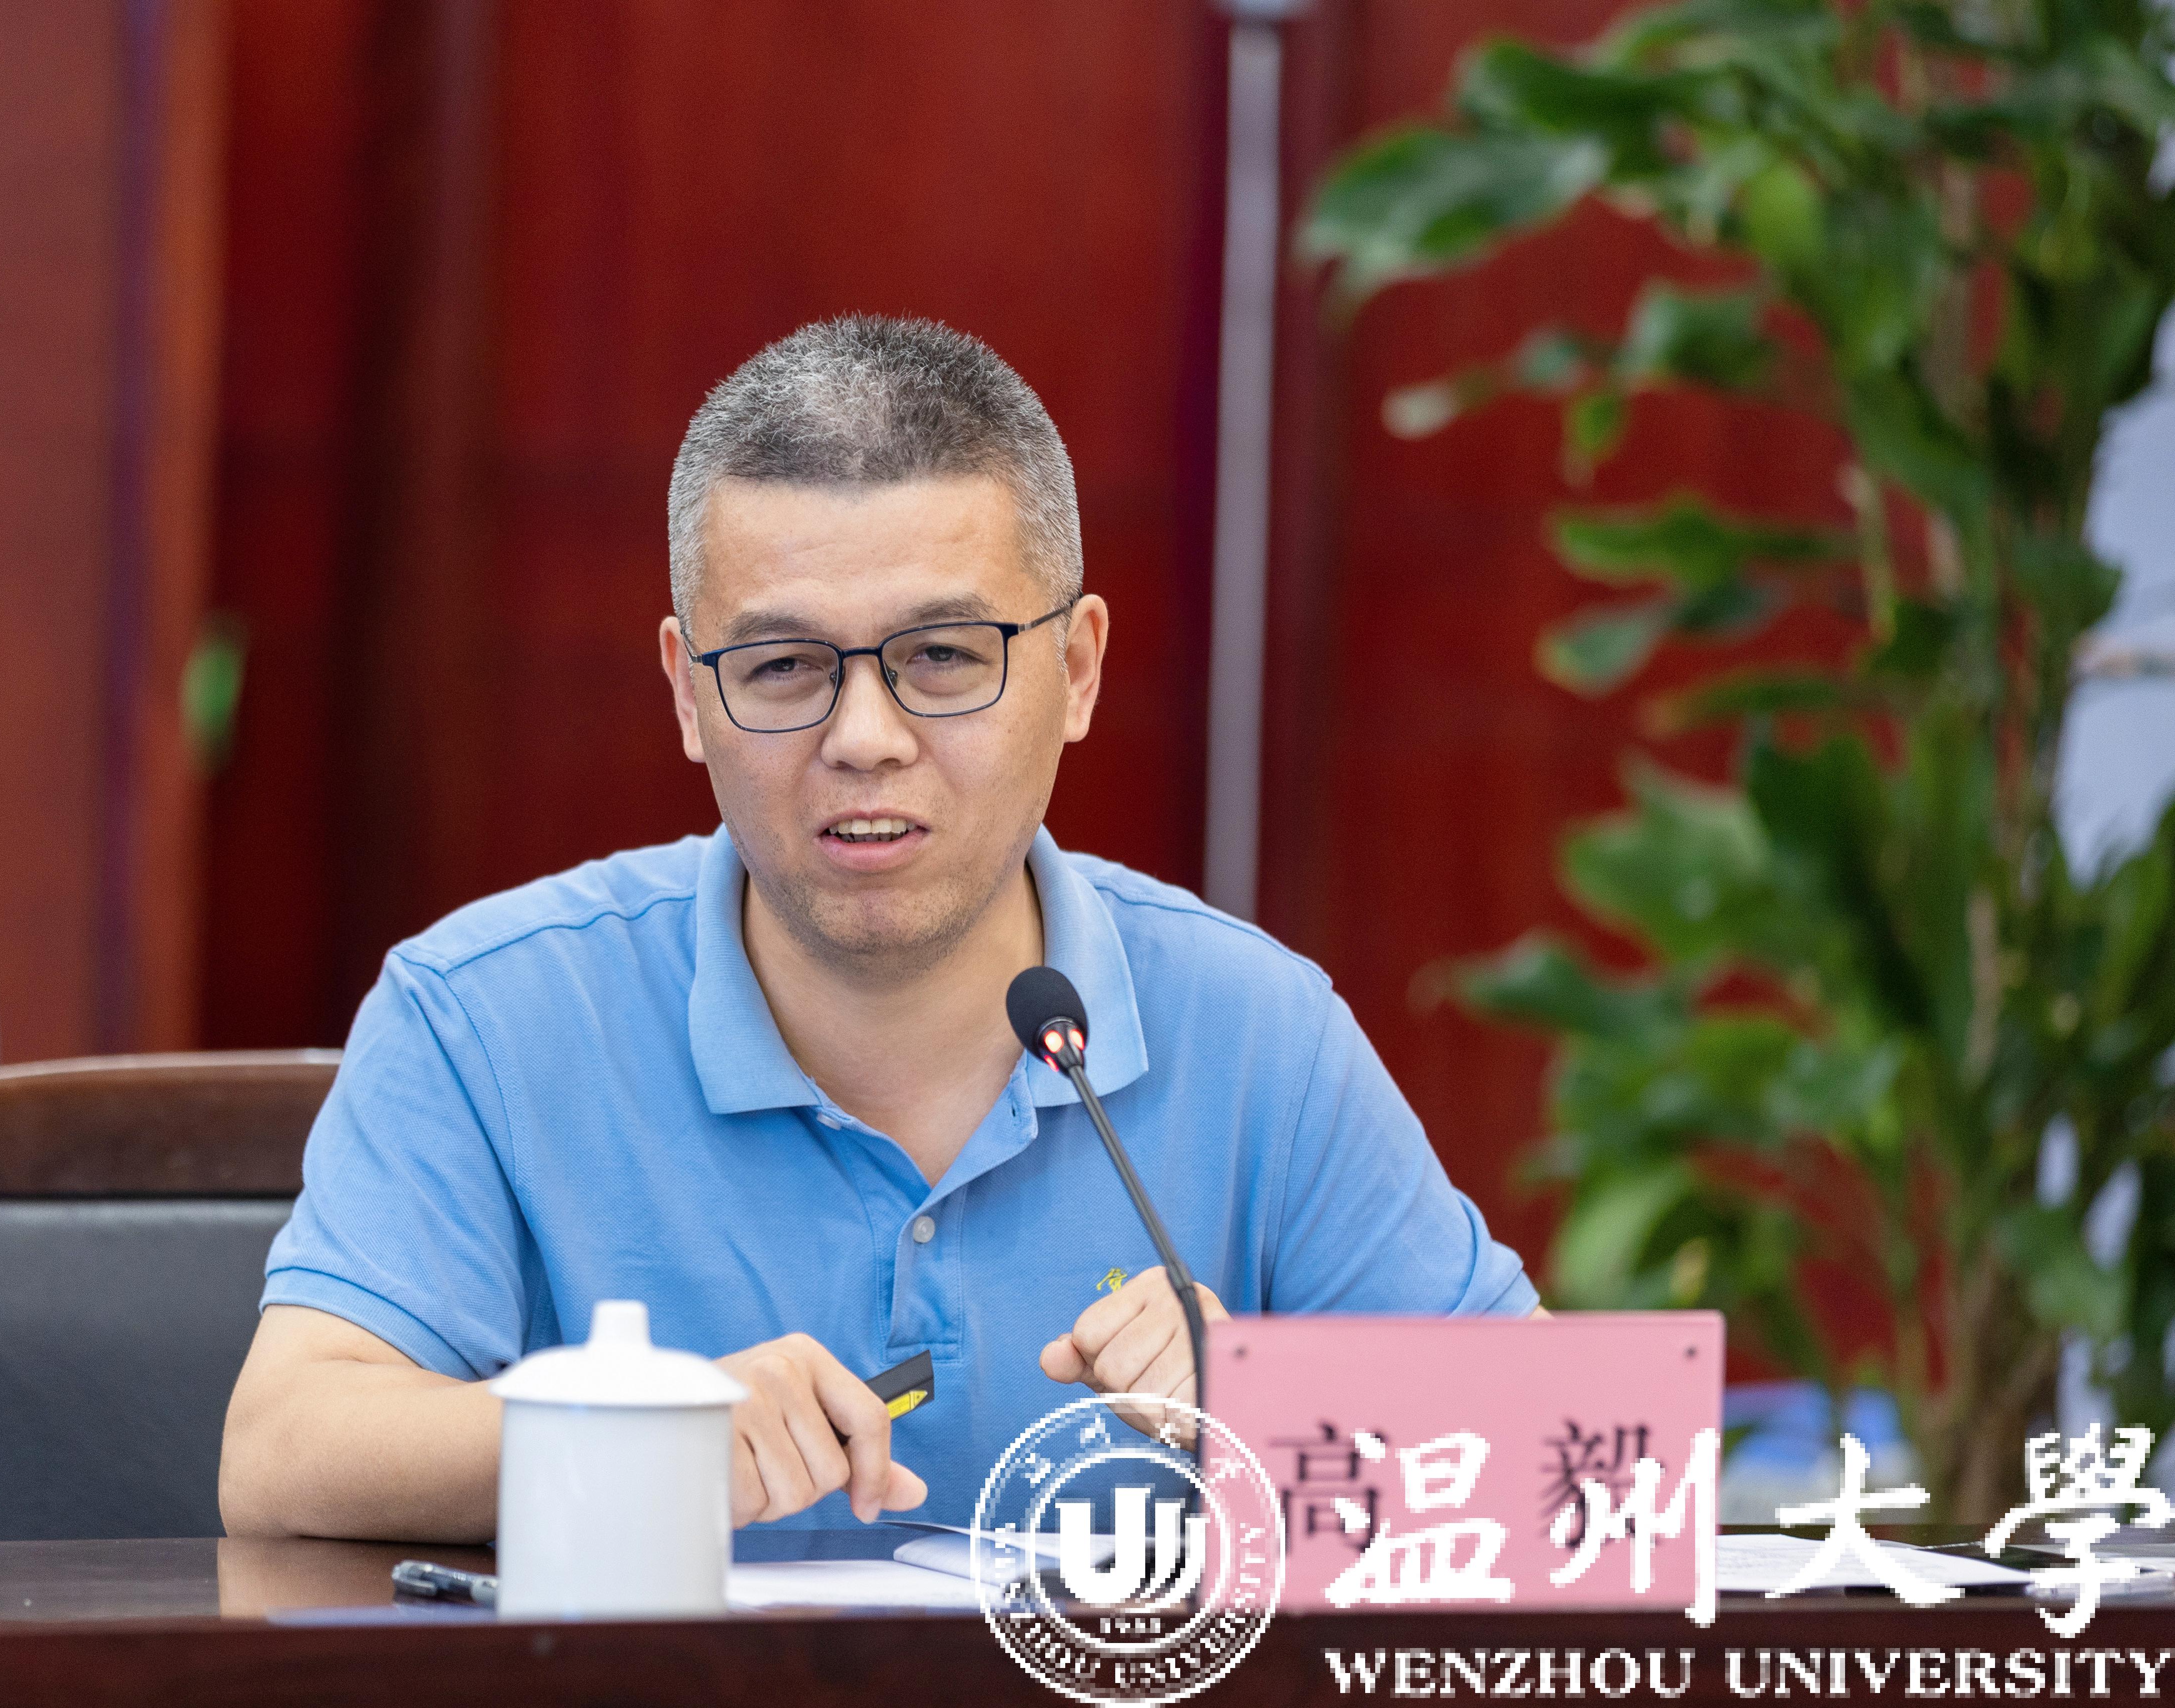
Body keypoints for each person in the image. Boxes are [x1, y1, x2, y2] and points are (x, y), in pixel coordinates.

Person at [219, 315, 1535, 1543]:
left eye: (945, 656)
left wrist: (1284, 1405)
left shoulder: (1255, 1031)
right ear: (687, 694)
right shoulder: (486, 1014)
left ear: (1076, 669)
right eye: (784, 667)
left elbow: (1565, 1469)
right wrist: (632, 1432)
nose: (864, 738)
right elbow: (280, 1452)